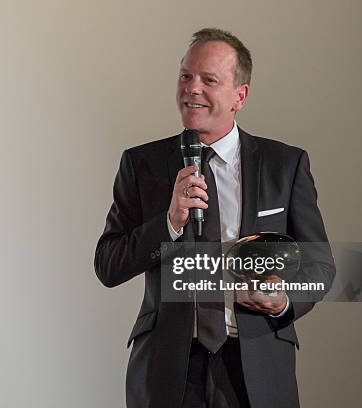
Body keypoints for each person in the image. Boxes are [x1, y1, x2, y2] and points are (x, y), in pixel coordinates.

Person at [94, 28, 335, 408]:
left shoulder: (284, 165)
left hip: (255, 364)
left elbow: (320, 265)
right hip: (170, 368)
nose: (192, 88)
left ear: (240, 95)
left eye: (209, 80)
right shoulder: (142, 165)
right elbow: (109, 265)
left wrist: (284, 300)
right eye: (186, 76)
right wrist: (169, 222)